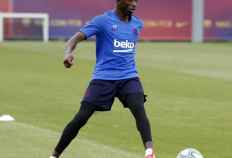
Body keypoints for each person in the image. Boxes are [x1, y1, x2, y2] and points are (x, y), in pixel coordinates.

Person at [49, 0, 155, 158]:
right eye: (130, 0)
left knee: (139, 109)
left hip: (129, 77)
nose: (134, 4)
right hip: (103, 78)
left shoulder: (137, 24)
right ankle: (55, 155)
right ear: (119, 1)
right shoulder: (102, 21)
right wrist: (68, 53)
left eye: (136, 1)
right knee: (82, 117)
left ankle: (149, 152)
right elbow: (74, 39)